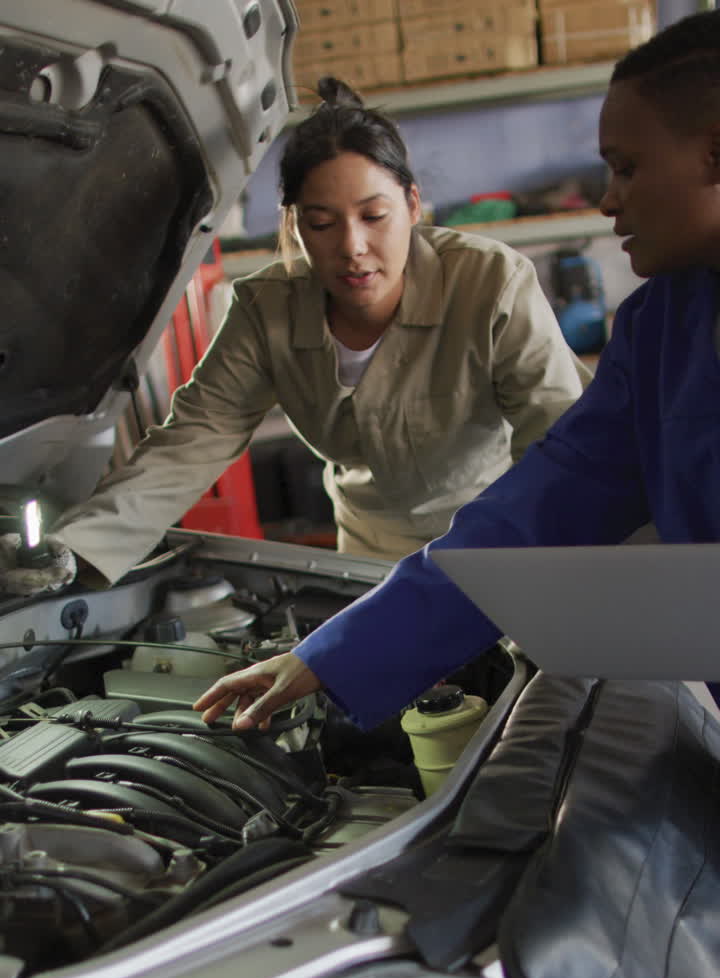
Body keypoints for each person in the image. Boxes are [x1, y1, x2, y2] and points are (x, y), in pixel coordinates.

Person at [193, 8, 720, 735]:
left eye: (628, 167)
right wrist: (332, 653)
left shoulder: (491, 282)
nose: (606, 198)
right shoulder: (660, 331)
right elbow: (535, 513)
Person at [0, 77, 587, 596]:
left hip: (499, 541)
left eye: (374, 216)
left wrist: (537, 582)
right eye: (322, 223)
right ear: (295, 225)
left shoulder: (490, 282)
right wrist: (78, 546)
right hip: (370, 556)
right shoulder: (265, 310)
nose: (352, 247)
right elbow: (194, 439)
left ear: (412, 204)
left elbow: (556, 444)